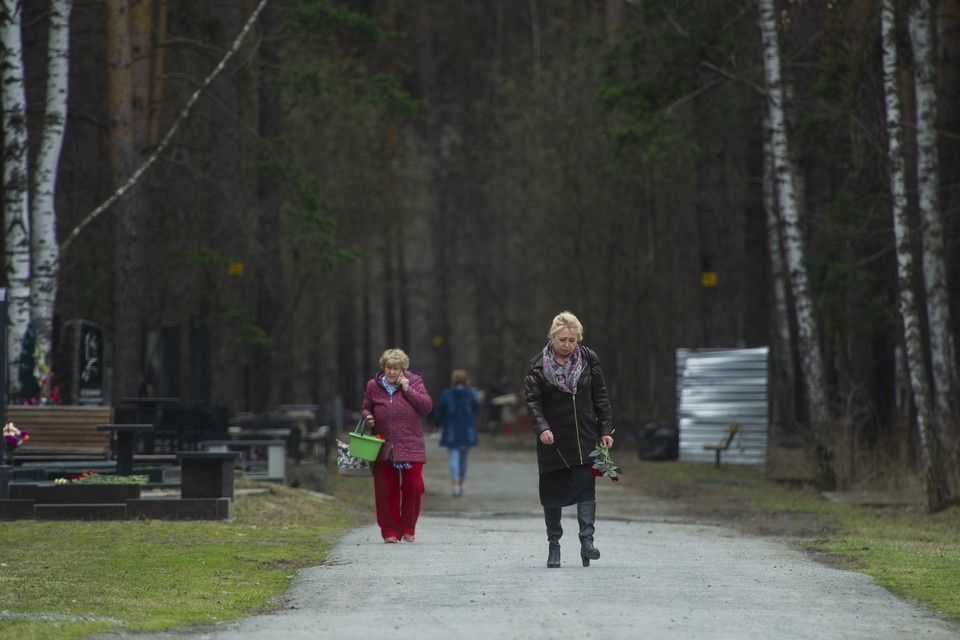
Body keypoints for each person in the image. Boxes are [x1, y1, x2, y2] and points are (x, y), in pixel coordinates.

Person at [524, 311, 614, 568]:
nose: (567, 345)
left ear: (578, 339)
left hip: (585, 438)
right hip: (553, 442)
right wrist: (542, 428)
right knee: (552, 495)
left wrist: (605, 429)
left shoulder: (589, 359)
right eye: (562, 339)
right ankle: (554, 546)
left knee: (586, 488)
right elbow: (533, 403)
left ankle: (587, 542)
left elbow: (601, 397)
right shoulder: (537, 367)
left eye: (572, 340)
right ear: (552, 337)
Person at [360, 348, 433, 543]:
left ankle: (408, 527)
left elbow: (427, 407)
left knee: (413, 485)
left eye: (396, 368)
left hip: (411, 444)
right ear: (383, 368)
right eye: (388, 368)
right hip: (383, 446)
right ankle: (390, 531)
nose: (392, 372)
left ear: (403, 369)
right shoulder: (373, 386)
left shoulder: (415, 382)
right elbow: (366, 406)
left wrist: (408, 389)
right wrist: (368, 416)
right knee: (385, 490)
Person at [435, 369, 479, 496]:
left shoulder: (447, 394)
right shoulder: (470, 393)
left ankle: (455, 483)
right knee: (464, 458)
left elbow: (440, 410)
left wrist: (438, 424)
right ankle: (461, 482)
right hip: (467, 429)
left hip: (451, 429)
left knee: (453, 456)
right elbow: (475, 407)